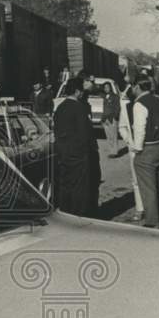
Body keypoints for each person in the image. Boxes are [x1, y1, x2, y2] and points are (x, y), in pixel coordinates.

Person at [123, 76, 159, 228]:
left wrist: (137, 148)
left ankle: (152, 222)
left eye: (132, 86)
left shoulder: (139, 104)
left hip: (148, 148)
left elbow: (140, 128)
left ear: (137, 87)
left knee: (148, 188)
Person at [53, 76, 100, 217]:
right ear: (78, 91)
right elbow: (84, 133)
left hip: (63, 152)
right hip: (78, 154)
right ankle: (79, 215)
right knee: (80, 187)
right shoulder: (79, 108)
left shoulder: (60, 107)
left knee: (65, 184)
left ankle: (65, 213)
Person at [117, 78, 144, 219]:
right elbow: (121, 127)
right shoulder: (127, 108)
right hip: (133, 149)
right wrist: (128, 140)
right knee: (136, 180)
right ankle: (140, 208)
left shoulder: (148, 104)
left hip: (148, 148)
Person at [101, 81, 121, 157]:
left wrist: (115, 117)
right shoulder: (103, 96)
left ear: (111, 88)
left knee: (114, 136)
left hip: (112, 118)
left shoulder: (115, 96)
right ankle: (110, 151)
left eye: (108, 87)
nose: (106, 89)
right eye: (105, 87)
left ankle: (114, 152)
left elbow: (118, 108)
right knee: (108, 136)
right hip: (105, 119)